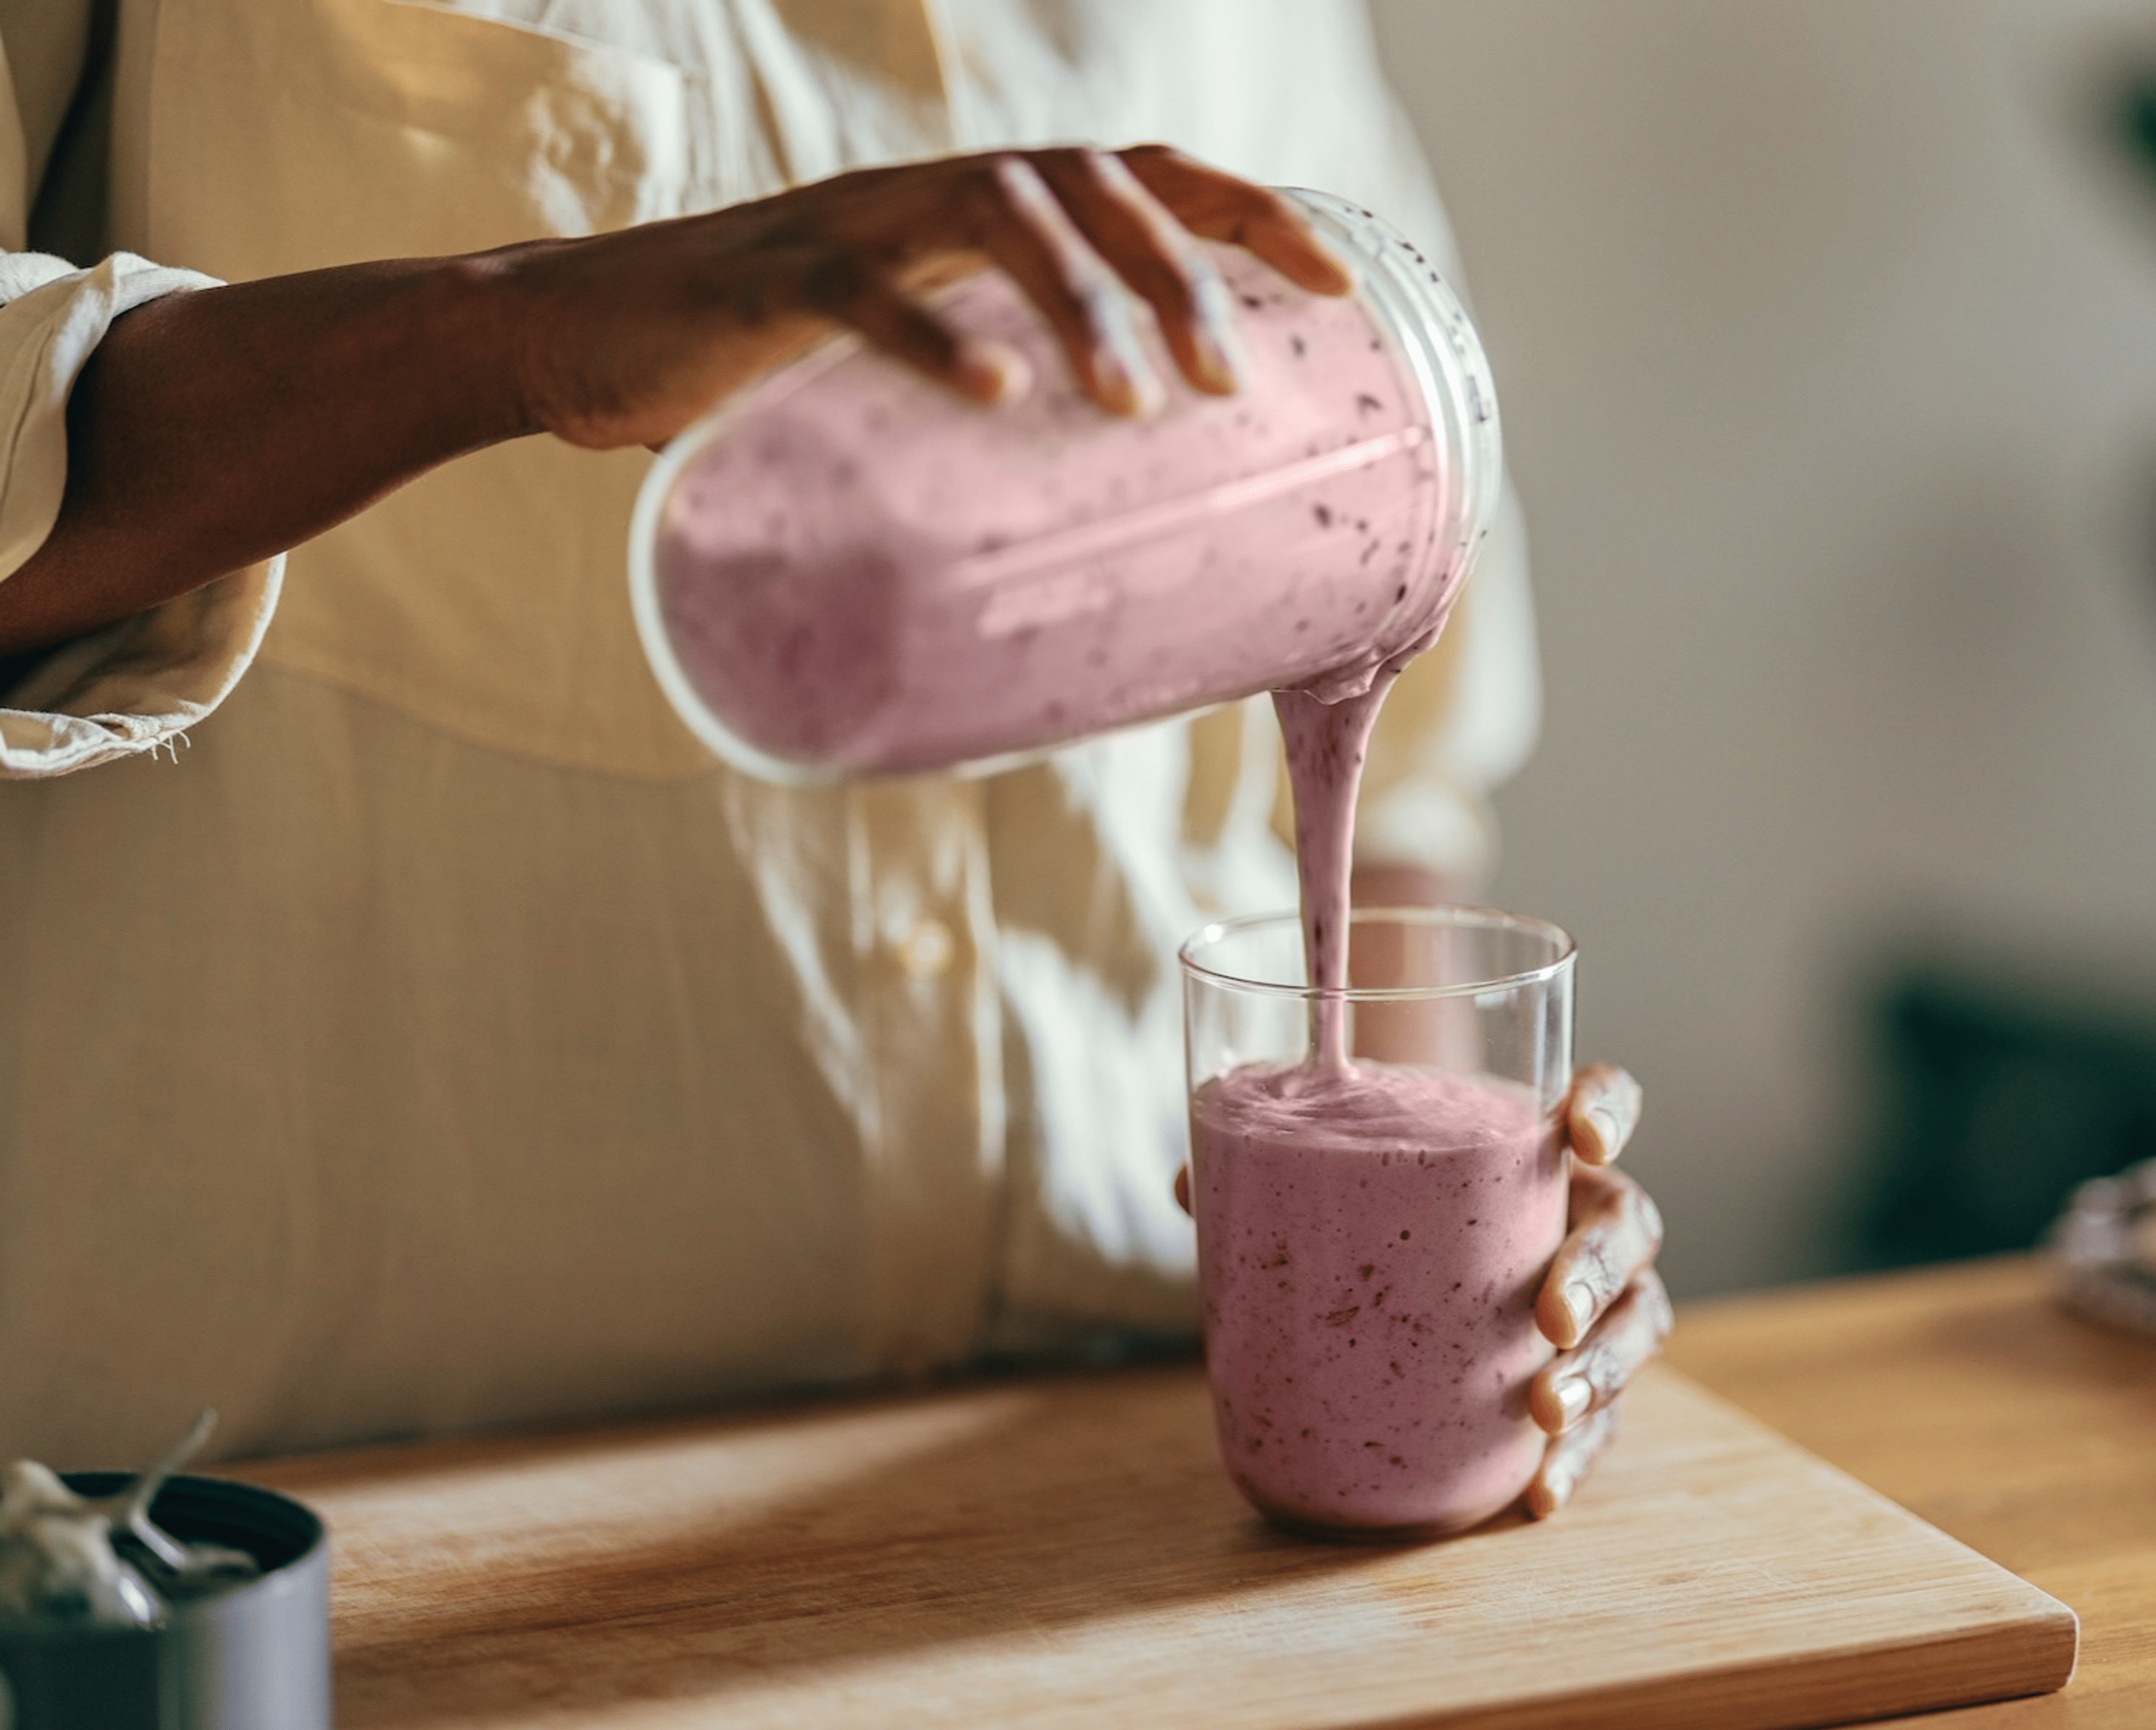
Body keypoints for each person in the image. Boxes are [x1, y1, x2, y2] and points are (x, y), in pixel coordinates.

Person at [0, 0, 1667, 1516]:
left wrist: (1454, 1274)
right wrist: (517, 326)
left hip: (1129, 1495)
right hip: (308, 1543)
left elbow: (1408, 759)